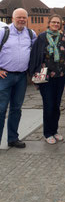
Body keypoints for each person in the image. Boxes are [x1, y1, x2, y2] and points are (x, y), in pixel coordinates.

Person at [29, 14, 65, 144]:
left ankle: (55, 130)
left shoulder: (63, 38)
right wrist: (33, 75)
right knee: (48, 105)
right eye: (53, 22)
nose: (56, 24)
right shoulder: (42, 38)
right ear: (49, 23)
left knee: (57, 105)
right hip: (45, 77)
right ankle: (47, 133)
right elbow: (34, 56)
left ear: (61, 24)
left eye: (58, 23)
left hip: (60, 76)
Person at [0, 8, 36, 148]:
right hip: (5, 76)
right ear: (12, 18)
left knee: (16, 109)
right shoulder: (4, 32)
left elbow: (35, 51)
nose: (21, 20)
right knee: (1, 109)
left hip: (21, 77)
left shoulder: (30, 33)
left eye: (24, 18)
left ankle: (13, 138)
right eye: (19, 17)